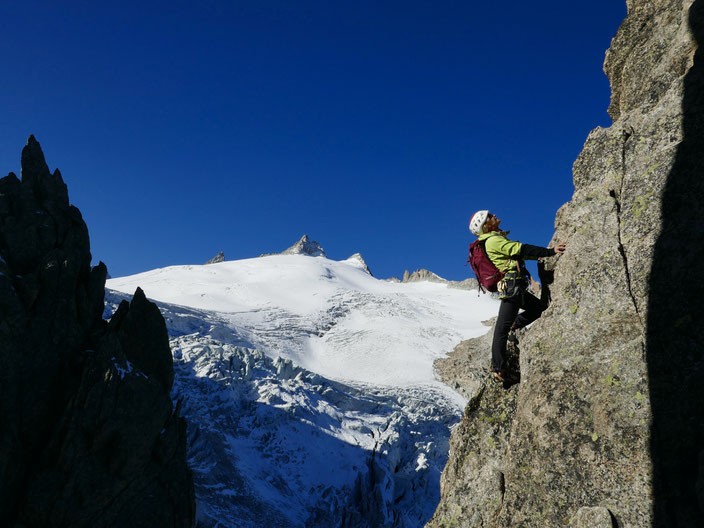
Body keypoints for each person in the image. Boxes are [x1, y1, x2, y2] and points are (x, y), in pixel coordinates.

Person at [468, 210, 566, 384]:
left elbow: (520, 253)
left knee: (538, 308)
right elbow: (522, 249)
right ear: (486, 225)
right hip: (512, 288)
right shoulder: (493, 240)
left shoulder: (494, 239)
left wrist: (547, 253)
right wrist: (551, 251)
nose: (494, 215)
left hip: (515, 287)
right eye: (489, 216)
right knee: (501, 329)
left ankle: (516, 323)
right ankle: (498, 369)